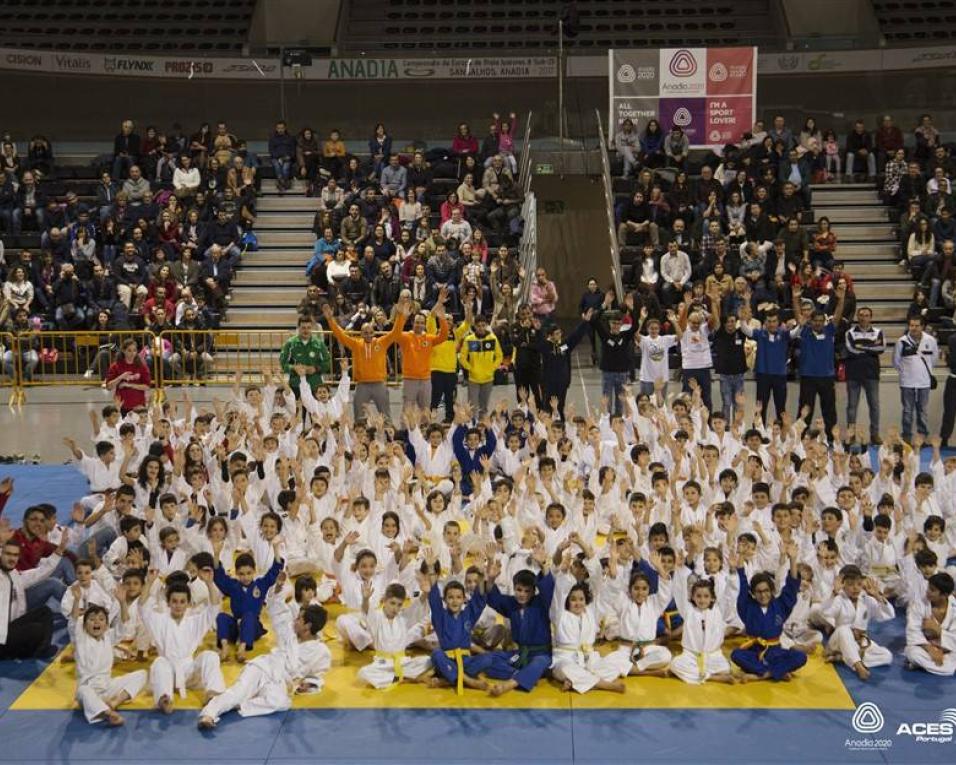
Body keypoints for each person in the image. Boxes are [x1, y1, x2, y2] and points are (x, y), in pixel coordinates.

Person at [198, 572, 330, 728]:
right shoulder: (288, 630)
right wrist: (278, 587)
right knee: (238, 692)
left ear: (307, 627)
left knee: (281, 702)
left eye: (299, 619)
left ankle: (236, 704)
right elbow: (276, 609)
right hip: (263, 667)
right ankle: (209, 715)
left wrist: (308, 684)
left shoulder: (321, 651)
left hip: (280, 681)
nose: (295, 620)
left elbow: (318, 674)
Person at [730, 542, 808, 682]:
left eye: (766, 591)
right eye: (758, 592)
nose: (763, 595)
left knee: (800, 657)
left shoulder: (780, 605)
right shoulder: (748, 607)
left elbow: (791, 587)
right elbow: (742, 584)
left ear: (772, 591)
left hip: (775, 651)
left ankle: (762, 674)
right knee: (736, 655)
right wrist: (741, 556)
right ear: (753, 594)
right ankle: (777, 671)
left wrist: (793, 559)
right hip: (753, 651)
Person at [483, 548, 555, 696]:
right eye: (519, 590)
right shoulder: (511, 604)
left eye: (527, 591)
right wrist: (490, 579)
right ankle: (525, 675)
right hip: (520, 653)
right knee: (489, 660)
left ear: (534, 591)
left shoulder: (541, 603)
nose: (522, 594)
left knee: (540, 663)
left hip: (540, 654)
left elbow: (548, 588)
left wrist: (543, 565)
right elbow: (494, 598)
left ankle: (510, 684)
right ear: (514, 588)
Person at [323, 300, 409, 418]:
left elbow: (395, 332)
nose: (368, 335)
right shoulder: (356, 344)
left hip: (379, 384)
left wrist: (400, 316)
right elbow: (340, 334)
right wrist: (330, 320)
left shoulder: (382, 342)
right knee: (359, 417)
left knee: (386, 416)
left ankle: (389, 435)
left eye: (370, 332)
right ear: (361, 334)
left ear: (373, 333)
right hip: (362, 385)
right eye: (365, 333)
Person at [72, 601, 146, 726]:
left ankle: (115, 703)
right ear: (84, 626)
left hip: (107, 687)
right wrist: (77, 599)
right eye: (91, 619)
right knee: (84, 691)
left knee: (142, 674)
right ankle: (108, 713)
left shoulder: (108, 637)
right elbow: (74, 621)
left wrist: (123, 602)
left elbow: (123, 626)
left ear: (106, 626)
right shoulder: (81, 638)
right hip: (89, 687)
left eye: (101, 619)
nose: (96, 622)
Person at [792, 281, 846, 442]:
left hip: (827, 377)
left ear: (824, 322)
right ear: (811, 321)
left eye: (820, 321)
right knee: (805, 409)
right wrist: (795, 299)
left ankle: (831, 439)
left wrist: (841, 299)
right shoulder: (806, 331)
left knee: (829, 410)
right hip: (808, 376)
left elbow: (837, 317)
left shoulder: (830, 331)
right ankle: (799, 439)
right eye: (815, 320)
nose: (818, 323)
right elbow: (798, 317)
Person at [822, 565, 895, 681]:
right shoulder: (838, 599)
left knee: (887, 656)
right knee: (843, 629)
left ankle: (843, 657)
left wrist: (877, 596)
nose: (855, 588)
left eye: (859, 584)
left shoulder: (867, 600)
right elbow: (826, 613)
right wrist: (834, 593)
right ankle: (858, 666)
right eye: (850, 584)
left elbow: (888, 615)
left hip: (859, 643)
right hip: (837, 642)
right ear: (843, 584)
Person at [0, 532, 66, 659]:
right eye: (8, 554)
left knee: (45, 612)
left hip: (10, 628)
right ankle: (26, 652)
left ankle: (41, 650)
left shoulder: (15, 575)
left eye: (15, 555)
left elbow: (39, 573)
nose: (12, 558)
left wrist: (58, 552)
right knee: (36, 629)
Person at [214, 548, 283, 663]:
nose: (245, 577)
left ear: (254, 571)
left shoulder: (260, 584)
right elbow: (219, 576)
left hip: (253, 627)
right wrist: (216, 554)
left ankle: (242, 648)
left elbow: (274, 571)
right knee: (221, 616)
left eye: (248, 573)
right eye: (241, 574)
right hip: (237, 626)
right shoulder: (233, 585)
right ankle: (224, 646)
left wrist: (276, 548)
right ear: (236, 573)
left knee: (249, 616)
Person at [397, 289, 449, 410]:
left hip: (426, 380)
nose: (419, 325)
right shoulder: (405, 337)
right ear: (412, 323)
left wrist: (442, 318)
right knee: (407, 410)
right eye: (417, 322)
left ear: (425, 325)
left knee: (425, 410)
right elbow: (396, 334)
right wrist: (402, 317)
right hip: (410, 379)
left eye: (421, 323)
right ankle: (406, 429)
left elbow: (444, 336)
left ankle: (425, 429)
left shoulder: (429, 338)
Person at [893, 316, 940, 444]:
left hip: (924, 382)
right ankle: (907, 438)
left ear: (922, 326)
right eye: (911, 325)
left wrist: (925, 372)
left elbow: (934, 359)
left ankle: (922, 438)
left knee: (923, 411)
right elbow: (896, 362)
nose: (914, 328)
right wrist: (906, 373)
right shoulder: (901, 342)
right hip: (907, 382)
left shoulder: (930, 340)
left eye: (917, 325)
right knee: (907, 411)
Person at [538, 312, 592, 419]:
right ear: (550, 335)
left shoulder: (564, 346)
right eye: (556, 334)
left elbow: (575, 336)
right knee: (548, 407)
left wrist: (585, 322)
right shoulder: (546, 347)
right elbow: (539, 341)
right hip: (549, 383)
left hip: (562, 382)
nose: (559, 336)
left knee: (560, 406)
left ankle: (561, 427)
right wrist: (538, 330)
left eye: (560, 333)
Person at [844, 307, 885, 446]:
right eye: (861, 315)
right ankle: (851, 435)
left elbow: (881, 349)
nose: (863, 318)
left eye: (866, 315)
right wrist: (870, 348)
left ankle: (874, 435)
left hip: (872, 374)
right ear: (857, 316)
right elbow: (850, 349)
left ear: (871, 317)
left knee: (874, 406)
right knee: (851, 406)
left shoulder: (878, 332)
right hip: (853, 374)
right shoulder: (849, 332)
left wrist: (862, 347)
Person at [903, 572, 956, 676]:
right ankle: (943, 666)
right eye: (928, 588)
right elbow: (913, 632)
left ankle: (922, 665)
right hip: (925, 647)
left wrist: (939, 631)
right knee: (912, 653)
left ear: (944, 595)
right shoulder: (919, 604)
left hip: (949, 650)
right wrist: (931, 650)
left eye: (932, 590)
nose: (928, 592)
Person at [458, 314, 504, 417]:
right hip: (473, 379)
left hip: (488, 378)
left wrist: (492, 368)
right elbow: (462, 357)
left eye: (483, 325)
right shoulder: (469, 339)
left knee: (484, 408)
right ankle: (472, 428)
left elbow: (499, 356)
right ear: (474, 326)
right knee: (472, 407)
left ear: (486, 325)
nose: (481, 328)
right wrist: (470, 368)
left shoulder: (492, 338)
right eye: (479, 326)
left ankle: (482, 428)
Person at [280, 314, 332, 396]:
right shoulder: (290, 344)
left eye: (308, 328)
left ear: (312, 328)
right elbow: (283, 364)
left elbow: (327, 363)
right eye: (303, 328)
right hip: (296, 384)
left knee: (313, 409)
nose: (306, 331)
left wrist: (316, 369)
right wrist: (294, 368)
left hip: (315, 385)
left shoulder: (319, 344)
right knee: (295, 409)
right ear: (298, 328)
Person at [104, 339, 152, 415]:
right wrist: (120, 377)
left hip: (139, 406)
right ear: (123, 350)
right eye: (129, 350)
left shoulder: (142, 366)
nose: (132, 353)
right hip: (122, 406)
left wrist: (129, 385)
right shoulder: (115, 366)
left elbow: (147, 386)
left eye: (134, 350)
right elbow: (108, 387)